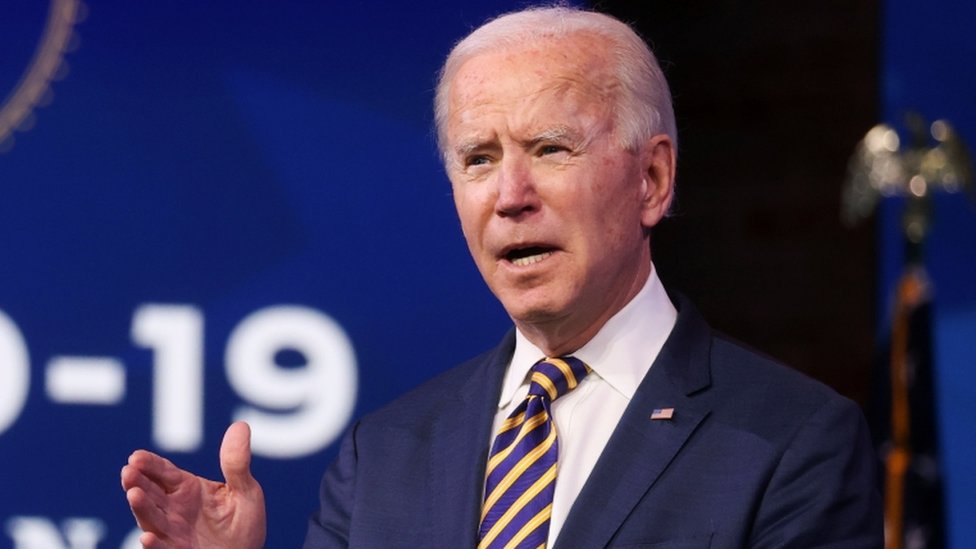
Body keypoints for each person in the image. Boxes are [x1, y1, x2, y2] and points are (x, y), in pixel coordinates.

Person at [121, 6, 883, 548]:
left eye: (551, 148)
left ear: (652, 178)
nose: (510, 195)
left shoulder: (792, 442)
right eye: (478, 159)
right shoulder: (382, 453)